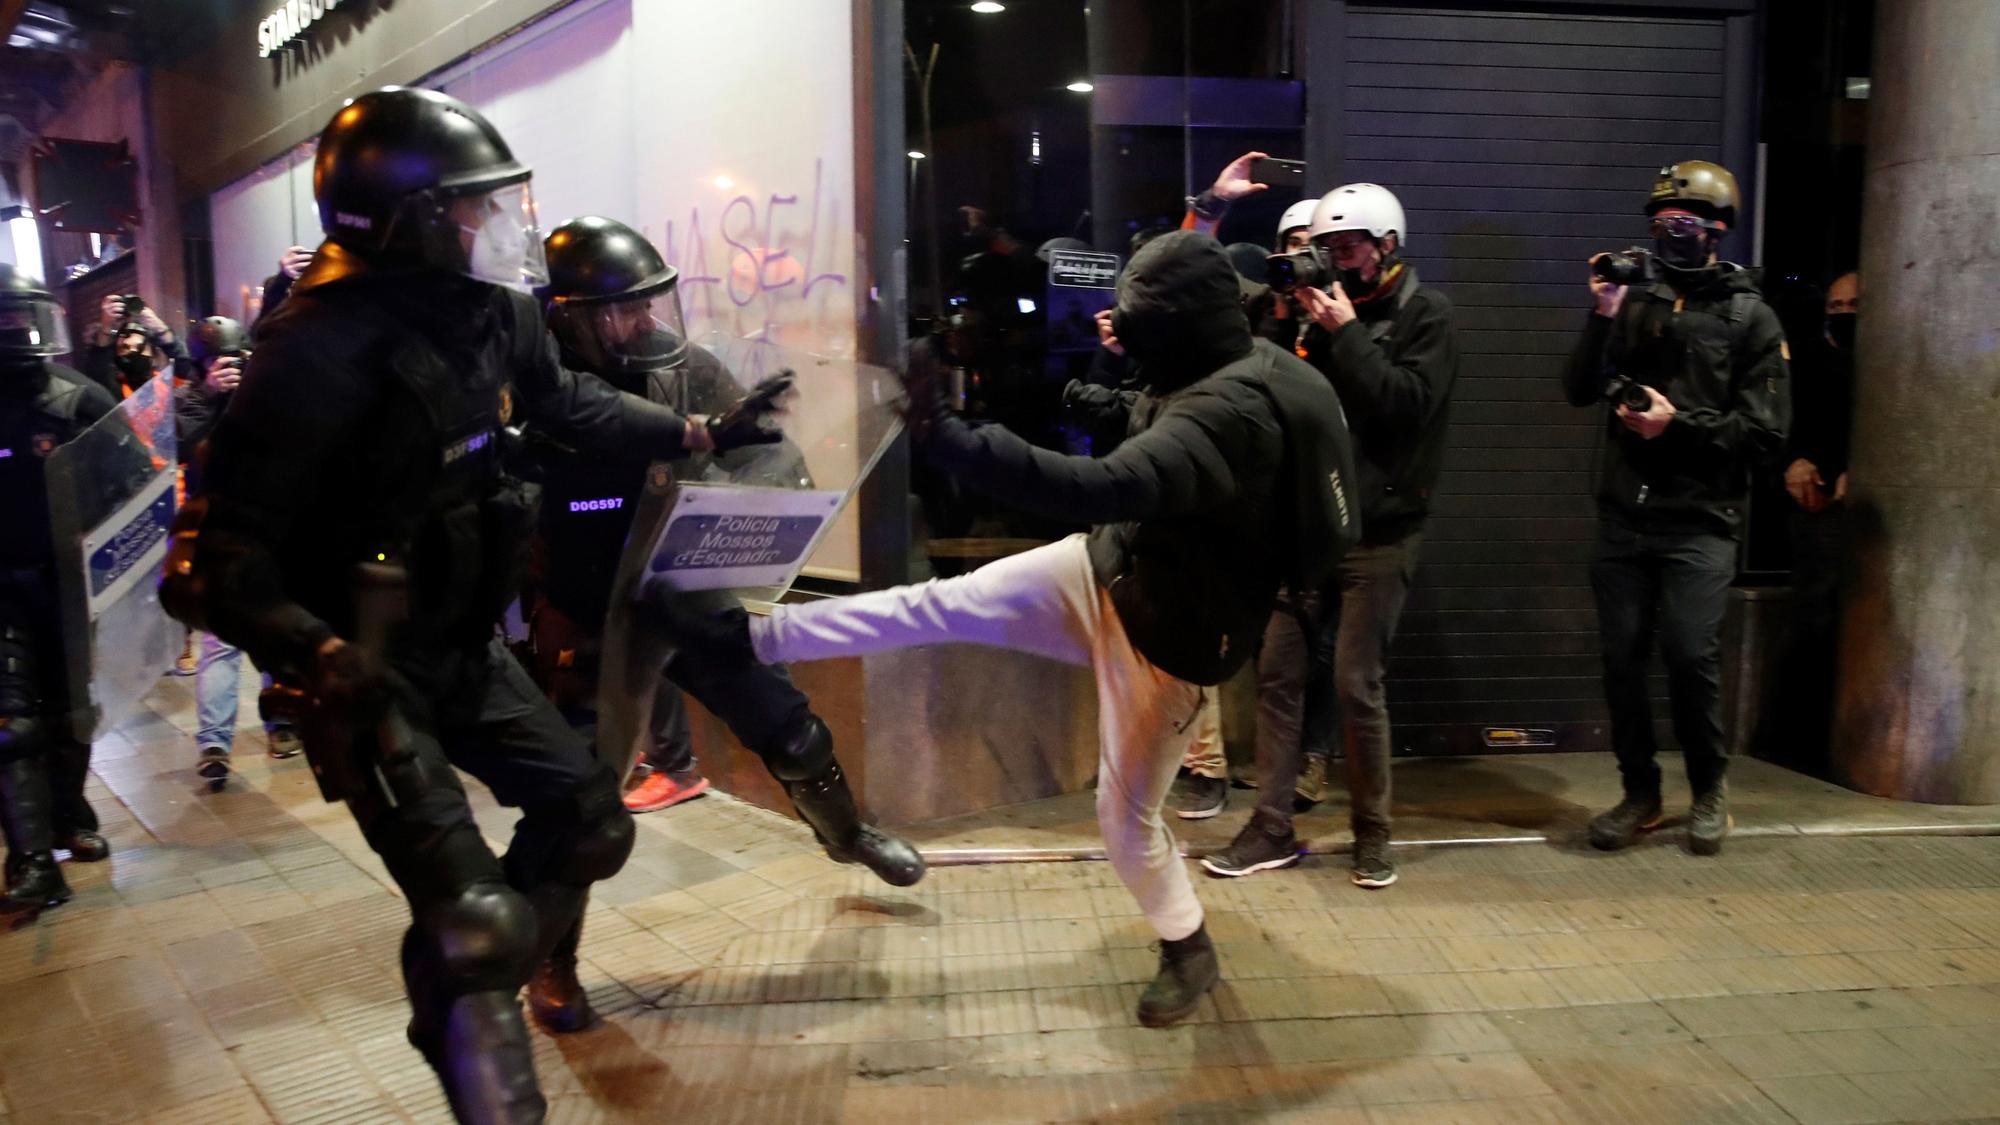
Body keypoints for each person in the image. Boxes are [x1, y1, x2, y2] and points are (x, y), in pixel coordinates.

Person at [157, 86, 785, 1122]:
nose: (507, 227)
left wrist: (699, 436)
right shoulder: (309, 349)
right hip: (364, 667)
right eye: (476, 207)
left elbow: (564, 402)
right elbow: (209, 562)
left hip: (465, 647)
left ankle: (463, 973)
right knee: (475, 919)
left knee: (590, 822)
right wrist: (314, 657)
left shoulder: (489, 307)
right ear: (403, 221)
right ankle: (469, 987)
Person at [655, 231, 1359, 1028]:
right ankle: (748, 640)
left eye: (1134, 321)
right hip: (1108, 574)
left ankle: (1188, 944)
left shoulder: (1232, 412)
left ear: (1177, 324)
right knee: (935, 604)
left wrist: (952, 435)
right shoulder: (1213, 371)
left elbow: (1101, 483)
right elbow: (1135, 425)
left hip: (1164, 650)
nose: (1121, 334)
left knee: (1125, 825)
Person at [517, 215, 924, 1033]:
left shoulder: (686, 367)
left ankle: (846, 833)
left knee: (791, 727)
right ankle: (550, 960)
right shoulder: (536, 383)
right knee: (582, 800)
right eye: (621, 311)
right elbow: (520, 500)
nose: (644, 325)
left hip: (684, 581)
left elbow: (761, 456)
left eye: (650, 304)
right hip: (586, 603)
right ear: (567, 314)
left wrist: (769, 475)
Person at [1195, 164, 1461, 890]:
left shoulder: (1423, 314)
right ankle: (1270, 825)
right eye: (1323, 246)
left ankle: (1373, 832)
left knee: (1354, 683)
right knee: (1278, 677)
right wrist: (1212, 208)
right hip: (1304, 531)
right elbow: (1197, 285)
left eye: (1346, 247)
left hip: (1379, 533)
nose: (1332, 258)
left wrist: (1345, 333)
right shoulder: (1300, 314)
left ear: (1386, 245)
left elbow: (1402, 406)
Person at [1562, 160, 1790, 856]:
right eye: (1661, 226)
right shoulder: (1631, 300)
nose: (1670, 237)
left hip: (1702, 519)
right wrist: (1603, 315)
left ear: (1718, 230)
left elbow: (1766, 434)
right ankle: (1640, 793)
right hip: (1624, 517)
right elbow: (1577, 387)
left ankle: (1710, 786)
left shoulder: (1750, 316)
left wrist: (1677, 424)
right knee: (1620, 661)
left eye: (1685, 226)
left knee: (1692, 654)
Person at [0, 263, 116, 917]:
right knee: (11, 723)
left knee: (72, 713)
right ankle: (31, 858)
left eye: (23, 317)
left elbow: (132, 480)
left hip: (70, 582)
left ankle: (69, 814)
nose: (16, 332)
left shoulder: (80, 398)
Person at [174, 317, 301, 786]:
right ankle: (214, 743)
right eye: (218, 362)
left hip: (270, 526)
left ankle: (284, 721)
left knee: (279, 630)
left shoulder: (265, 394)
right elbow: (180, 444)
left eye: (236, 360)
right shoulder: (190, 401)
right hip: (214, 530)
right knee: (220, 644)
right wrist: (209, 395)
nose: (229, 369)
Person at [1772, 271, 1856, 773]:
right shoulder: (1805, 361)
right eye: (1837, 304)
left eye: (1855, 305)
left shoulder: (1889, 366)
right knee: (1814, 625)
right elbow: (1779, 429)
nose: (1844, 313)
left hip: (1873, 515)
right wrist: (1793, 463)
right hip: (1816, 511)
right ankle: (1800, 750)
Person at [78, 294, 187, 399]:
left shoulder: (164, 383)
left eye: (140, 347)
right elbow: (98, 370)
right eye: (125, 347)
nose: (134, 353)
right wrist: (106, 327)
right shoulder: (115, 390)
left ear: (153, 353)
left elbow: (182, 361)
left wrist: (160, 327)